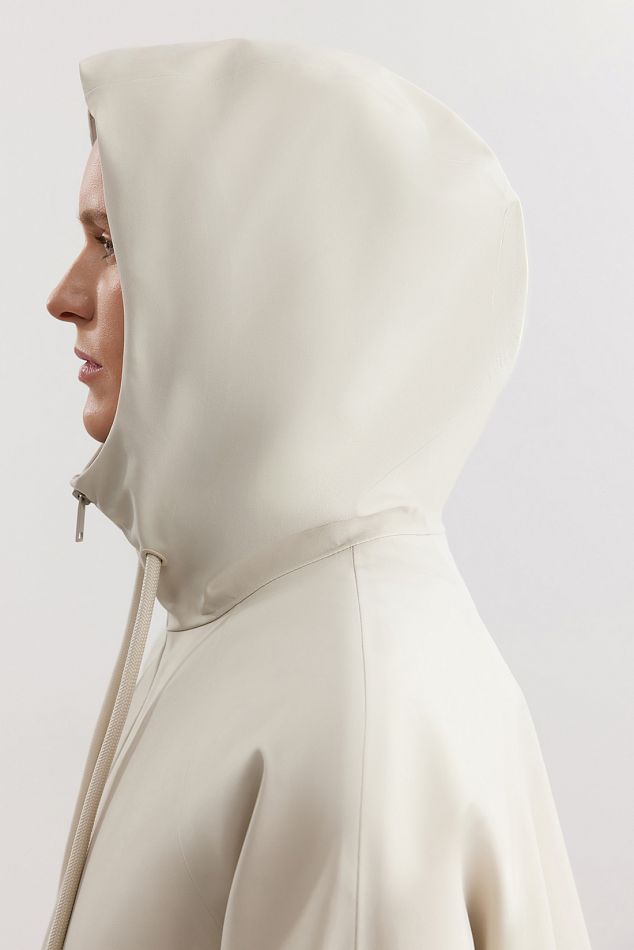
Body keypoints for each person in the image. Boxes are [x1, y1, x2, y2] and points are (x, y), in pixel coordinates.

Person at [41, 37, 593, 950]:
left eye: (110, 243)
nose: (64, 297)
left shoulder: (354, 704)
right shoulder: (250, 614)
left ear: (250, 283)